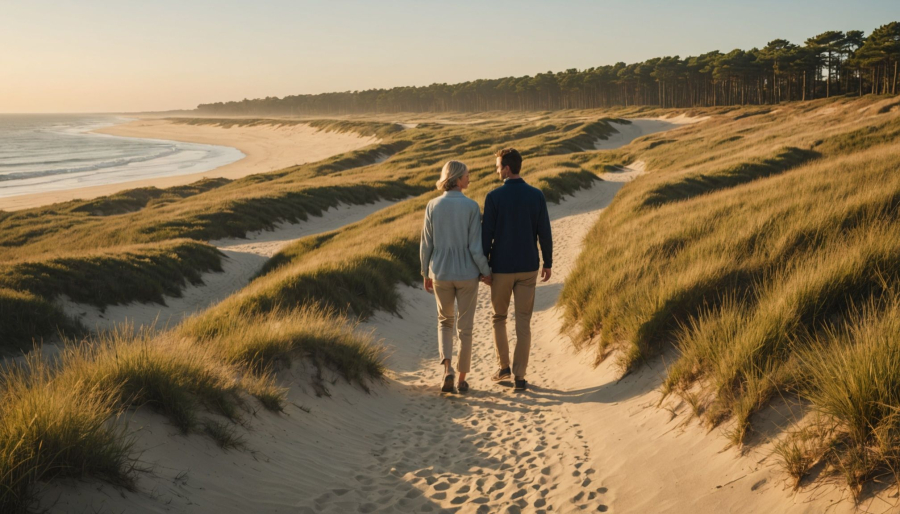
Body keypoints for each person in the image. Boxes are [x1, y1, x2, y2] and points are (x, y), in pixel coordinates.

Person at [482, 148, 552, 392]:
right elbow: (544, 231)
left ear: (507, 169)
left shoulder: (493, 197)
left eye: (498, 165)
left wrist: (483, 268)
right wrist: (548, 262)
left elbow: (486, 236)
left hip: (500, 268)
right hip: (528, 267)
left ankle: (503, 367)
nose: (496, 169)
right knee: (523, 321)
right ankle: (520, 377)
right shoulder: (536, 195)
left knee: (499, 317)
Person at [420, 160, 492, 393]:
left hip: (440, 272)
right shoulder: (471, 207)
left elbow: (426, 245)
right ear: (458, 179)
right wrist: (486, 271)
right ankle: (461, 380)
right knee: (465, 328)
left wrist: (424, 272)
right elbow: (475, 247)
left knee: (445, 322)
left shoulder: (432, 205)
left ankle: (447, 370)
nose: (469, 179)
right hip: (467, 274)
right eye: (467, 175)